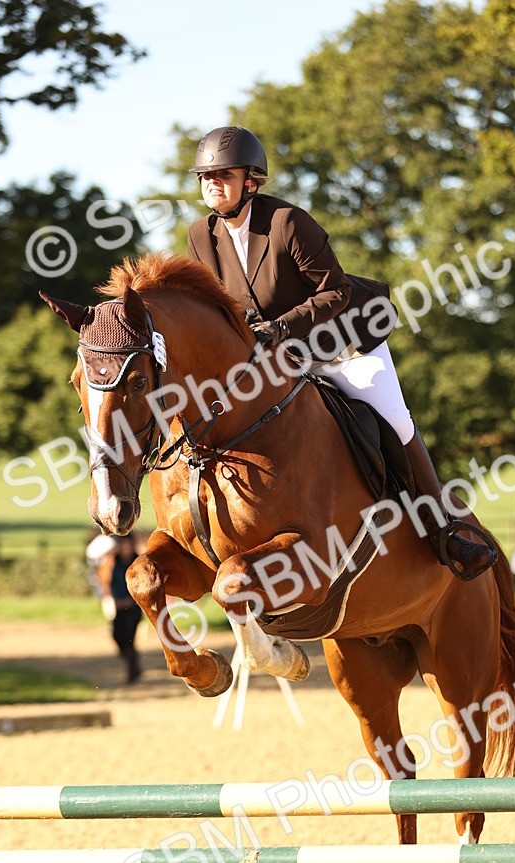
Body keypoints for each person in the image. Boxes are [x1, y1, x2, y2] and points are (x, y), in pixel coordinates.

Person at [186, 125, 496, 581]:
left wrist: (280, 327)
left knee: (393, 415)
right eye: (205, 175)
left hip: (341, 342)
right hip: (277, 356)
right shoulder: (200, 235)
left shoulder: (287, 223)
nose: (212, 182)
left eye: (223, 174)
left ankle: (444, 531)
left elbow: (335, 291)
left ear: (251, 179)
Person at [86, 533, 143, 683]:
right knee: (117, 635)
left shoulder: (138, 563)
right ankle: (132, 662)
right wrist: (116, 599)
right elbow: (109, 582)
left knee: (129, 637)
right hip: (119, 606)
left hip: (133, 607)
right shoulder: (113, 563)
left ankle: (133, 669)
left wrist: (131, 600)